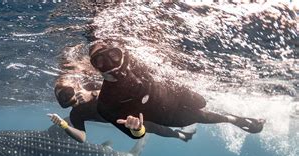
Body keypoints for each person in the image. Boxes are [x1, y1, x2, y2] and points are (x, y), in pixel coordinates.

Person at [87, 41, 265, 139]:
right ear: (95, 68)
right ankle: (232, 119)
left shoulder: (139, 61)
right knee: (196, 116)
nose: (110, 64)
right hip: (167, 116)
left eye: (113, 55)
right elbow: (136, 135)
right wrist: (137, 128)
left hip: (175, 93)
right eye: (100, 61)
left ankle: (230, 118)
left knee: (201, 102)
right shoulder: (105, 103)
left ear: (121, 53)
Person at [48, 66, 195, 143]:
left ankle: (190, 113)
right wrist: (64, 125)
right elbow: (82, 138)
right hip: (122, 120)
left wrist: (93, 94)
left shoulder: (91, 85)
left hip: (133, 105)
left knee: (160, 114)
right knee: (152, 128)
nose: (68, 98)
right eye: (63, 98)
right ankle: (181, 135)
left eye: (67, 92)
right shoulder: (76, 114)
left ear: (77, 84)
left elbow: (121, 88)